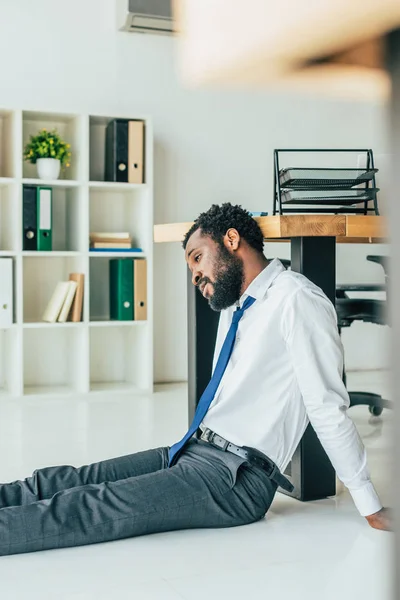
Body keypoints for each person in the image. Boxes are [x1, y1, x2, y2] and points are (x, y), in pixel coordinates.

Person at [0, 203, 390, 556]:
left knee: (90, 504)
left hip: (237, 478)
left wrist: (368, 503)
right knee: (70, 479)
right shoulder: (237, 304)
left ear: (232, 240)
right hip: (196, 448)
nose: (195, 275)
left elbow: (326, 405)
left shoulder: (297, 301)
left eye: (197, 258)